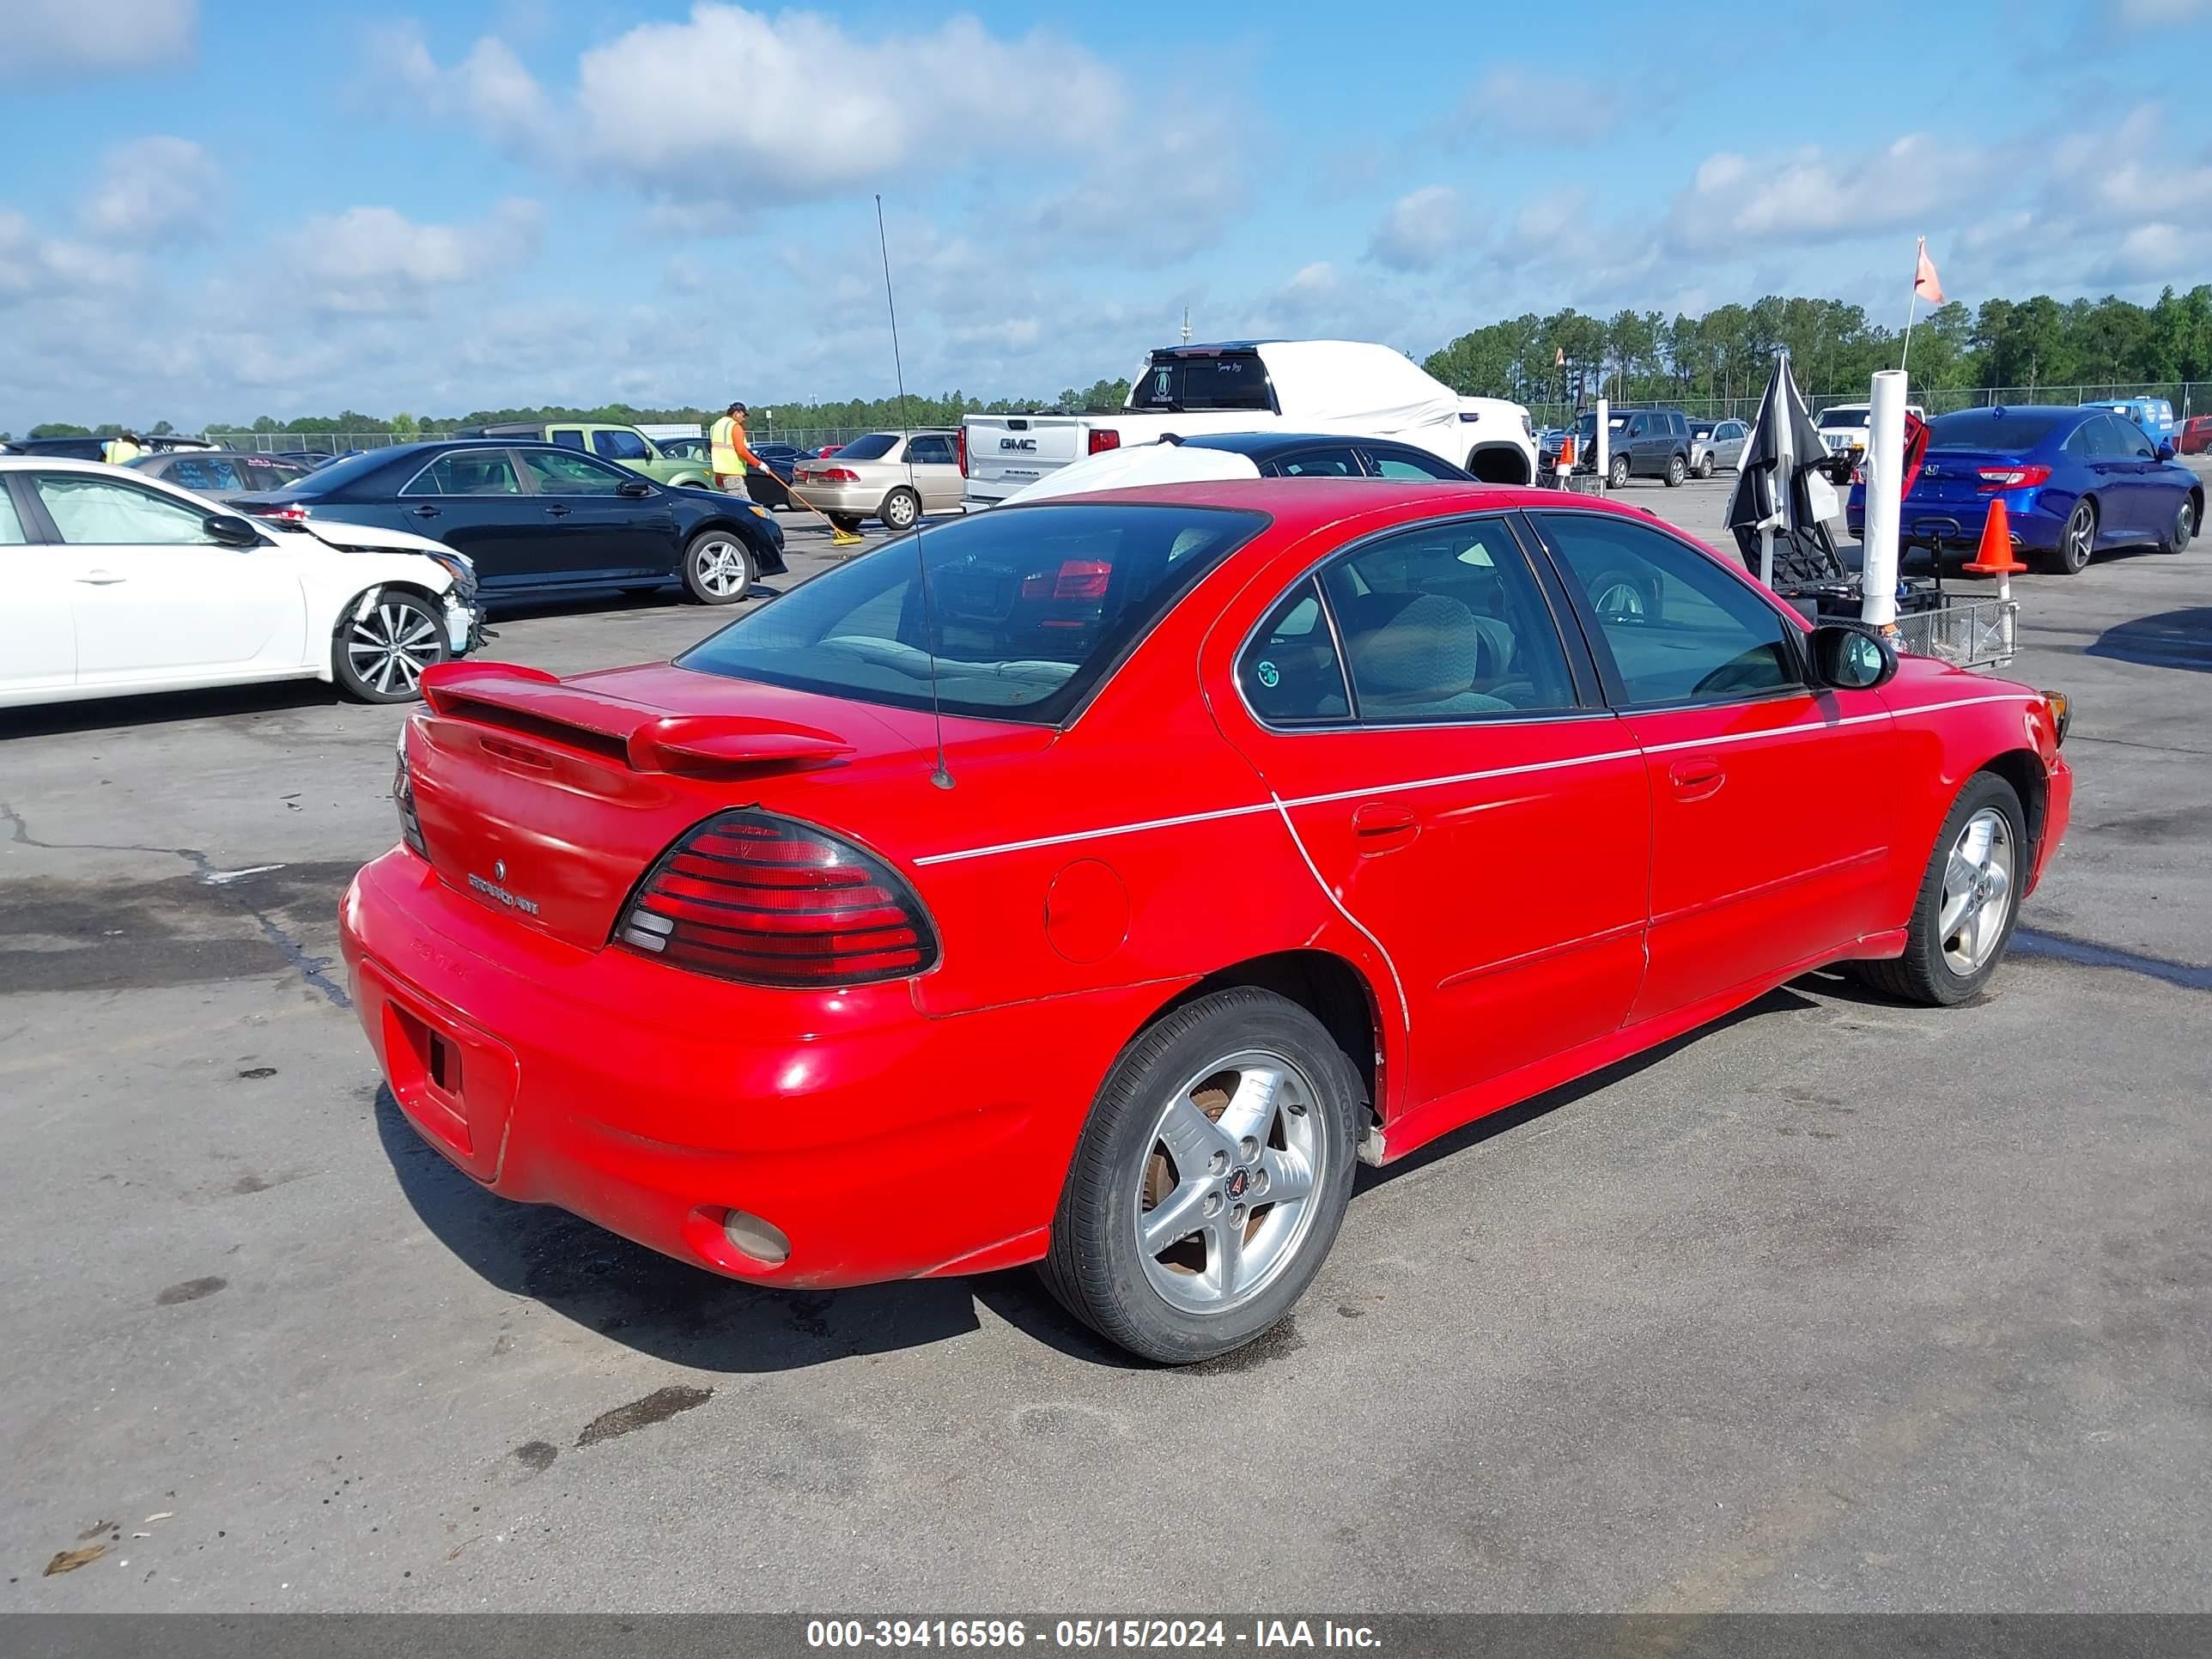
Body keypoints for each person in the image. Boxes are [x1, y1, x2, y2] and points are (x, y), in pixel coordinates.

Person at [708, 402, 763, 496]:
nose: (744, 419)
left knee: (729, 506)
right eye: (743, 415)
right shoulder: (734, 426)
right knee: (744, 507)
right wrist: (758, 464)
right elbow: (741, 450)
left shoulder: (715, 426)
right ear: (736, 413)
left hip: (720, 475)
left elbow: (714, 451)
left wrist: (718, 475)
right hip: (733, 475)